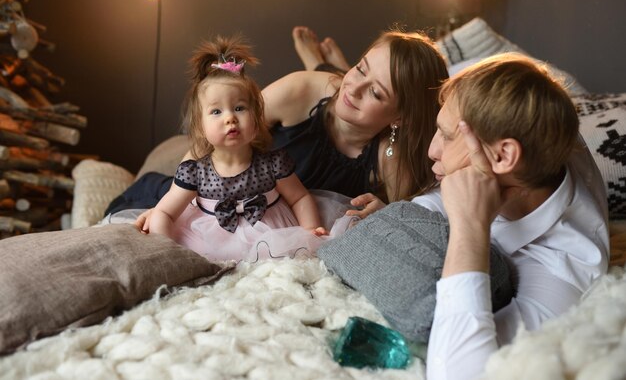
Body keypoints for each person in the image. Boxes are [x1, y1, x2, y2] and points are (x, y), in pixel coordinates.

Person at [120, 27, 449, 227]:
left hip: (276, 224)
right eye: (359, 69)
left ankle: (327, 60)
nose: (354, 89)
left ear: (400, 118)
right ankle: (322, 63)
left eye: (376, 92)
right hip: (217, 190)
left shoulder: (391, 156)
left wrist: (385, 211)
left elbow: (407, 216)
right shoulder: (299, 91)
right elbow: (202, 151)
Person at [409, 53, 609, 379]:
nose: (432, 150)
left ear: (503, 156)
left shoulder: (570, 262)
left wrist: (469, 227)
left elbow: (458, 373)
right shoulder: (520, 127)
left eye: (445, 136)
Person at [145, 35, 328, 262]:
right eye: (216, 112)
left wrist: (310, 231)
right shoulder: (194, 173)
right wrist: (165, 248)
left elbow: (299, 198)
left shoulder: (273, 164)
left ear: (257, 119)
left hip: (270, 237)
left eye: (240, 108)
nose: (230, 118)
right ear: (200, 128)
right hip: (209, 241)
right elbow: (164, 212)